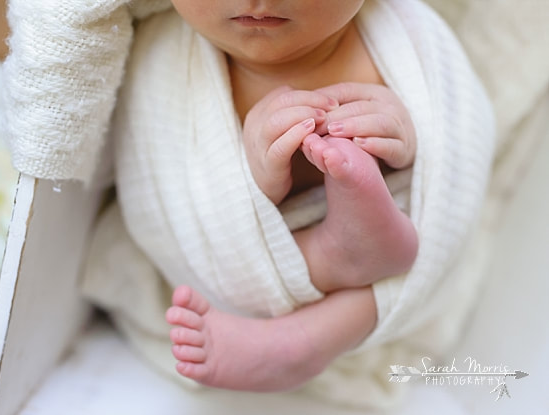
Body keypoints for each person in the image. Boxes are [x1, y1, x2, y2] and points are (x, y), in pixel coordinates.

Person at [162, 0, 420, 391]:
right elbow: (174, 192)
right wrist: (252, 180)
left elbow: (458, 142)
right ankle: (314, 307)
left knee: (407, 270)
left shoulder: (406, 38)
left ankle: (298, 342)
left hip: (397, 226)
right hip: (272, 251)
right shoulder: (166, 66)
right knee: (374, 282)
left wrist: (408, 139)